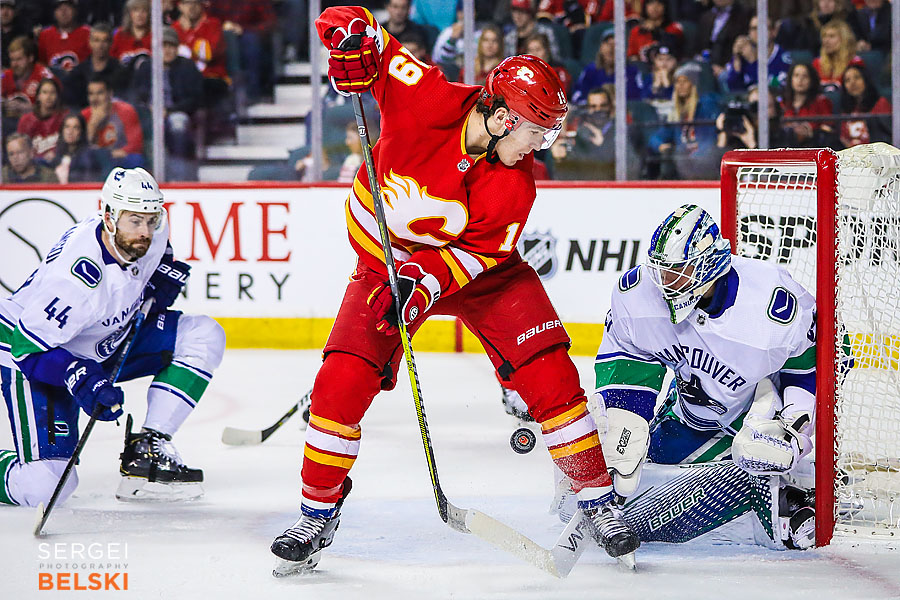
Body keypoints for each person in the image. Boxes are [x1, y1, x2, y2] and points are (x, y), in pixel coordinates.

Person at [269, 5, 640, 575]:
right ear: (500, 118)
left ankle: (598, 499)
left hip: (482, 274)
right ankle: (316, 510)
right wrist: (348, 38)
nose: (539, 145)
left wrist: (425, 283)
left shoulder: (515, 185)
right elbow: (365, 29)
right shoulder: (427, 97)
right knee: (341, 382)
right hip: (383, 264)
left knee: (548, 372)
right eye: (535, 131)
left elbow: (476, 255)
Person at [580, 204, 817, 550]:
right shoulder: (638, 293)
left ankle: (794, 492)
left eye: (677, 272)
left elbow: (809, 369)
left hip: (755, 418)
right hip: (692, 415)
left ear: (709, 265)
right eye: (661, 271)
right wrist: (623, 418)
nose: (664, 283)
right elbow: (630, 355)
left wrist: (793, 429)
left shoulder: (772, 303)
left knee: (762, 471)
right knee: (638, 483)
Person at [0, 167, 225, 507]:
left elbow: (159, 254)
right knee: (46, 488)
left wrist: (159, 280)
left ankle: (148, 446)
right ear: (108, 215)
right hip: (40, 353)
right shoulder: (75, 280)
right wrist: (76, 376)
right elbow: (26, 349)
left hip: (104, 339)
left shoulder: (149, 236)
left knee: (204, 335)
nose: (145, 232)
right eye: (135, 221)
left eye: (152, 220)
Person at [647, 63, 720, 180]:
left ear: (694, 84)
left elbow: (709, 141)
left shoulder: (706, 105)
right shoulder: (677, 113)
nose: (680, 85)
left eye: (684, 81)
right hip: (683, 165)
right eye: (677, 82)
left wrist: (692, 157)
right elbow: (655, 138)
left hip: (704, 165)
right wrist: (661, 146)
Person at [82, 74, 144, 168]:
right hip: (96, 161)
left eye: (100, 93)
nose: (95, 99)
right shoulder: (84, 115)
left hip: (120, 158)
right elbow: (81, 149)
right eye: (91, 94)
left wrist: (116, 153)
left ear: (110, 94)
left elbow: (135, 144)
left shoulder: (126, 111)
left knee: (135, 159)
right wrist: (93, 124)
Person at [67, 22, 128, 108]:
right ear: (90, 42)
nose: (100, 45)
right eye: (96, 40)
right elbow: (73, 104)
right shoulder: (78, 73)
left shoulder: (121, 71)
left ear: (111, 43)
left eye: (105, 41)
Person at [779, 62, 836, 148]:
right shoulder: (783, 103)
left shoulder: (821, 102)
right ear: (791, 79)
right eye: (796, 75)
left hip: (814, 147)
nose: (800, 80)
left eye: (805, 76)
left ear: (811, 80)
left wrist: (811, 132)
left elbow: (828, 130)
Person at [1, 36, 56, 118]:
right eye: (12, 60)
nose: (14, 64)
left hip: (37, 123)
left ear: (30, 58)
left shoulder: (44, 76)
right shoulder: (5, 75)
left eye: (19, 59)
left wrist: (30, 108)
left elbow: (56, 107)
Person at [838, 63, 891, 147]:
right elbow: (843, 139)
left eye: (857, 77)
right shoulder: (845, 110)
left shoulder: (880, 103)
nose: (852, 83)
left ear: (866, 80)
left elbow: (886, 136)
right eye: (847, 80)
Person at [16, 77, 67, 163]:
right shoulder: (26, 120)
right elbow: (20, 147)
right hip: (34, 164)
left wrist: (56, 153)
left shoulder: (65, 117)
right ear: (38, 96)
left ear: (57, 96)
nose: (48, 96)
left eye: (52, 92)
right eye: (44, 92)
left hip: (59, 161)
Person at [50, 113, 112, 183]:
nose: (70, 132)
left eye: (75, 127)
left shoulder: (90, 155)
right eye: (67, 127)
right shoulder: (57, 155)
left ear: (82, 131)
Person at [37, 0, 90, 72]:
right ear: (54, 13)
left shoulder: (87, 33)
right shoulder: (45, 35)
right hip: (52, 81)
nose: (64, 12)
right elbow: (41, 64)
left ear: (75, 11)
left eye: (68, 7)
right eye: (59, 9)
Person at [813, 19, 864, 90]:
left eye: (831, 36)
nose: (826, 41)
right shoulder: (816, 63)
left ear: (844, 40)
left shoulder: (855, 63)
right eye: (824, 36)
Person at [111, 0, 152, 72]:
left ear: (149, 14)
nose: (140, 14)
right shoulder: (120, 35)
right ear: (129, 14)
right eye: (136, 10)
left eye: (144, 11)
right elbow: (111, 60)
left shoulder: (154, 36)